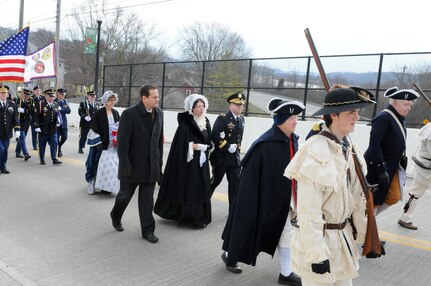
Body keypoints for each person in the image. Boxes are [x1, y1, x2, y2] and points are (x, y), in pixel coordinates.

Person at [284, 87, 380, 286]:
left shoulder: (348, 147)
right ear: (333, 115)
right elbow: (308, 210)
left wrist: (367, 236)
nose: (357, 116)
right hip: (320, 241)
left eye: (357, 111)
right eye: (351, 112)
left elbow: (354, 198)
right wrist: (317, 254)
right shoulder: (316, 151)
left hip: (342, 241)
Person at [221, 98, 304, 286]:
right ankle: (229, 255)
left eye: (296, 117)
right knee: (246, 227)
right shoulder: (264, 145)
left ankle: (286, 272)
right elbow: (249, 179)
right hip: (262, 198)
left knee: (287, 232)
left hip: (286, 198)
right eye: (291, 117)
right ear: (280, 120)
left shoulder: (293, 140)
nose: (295, 121)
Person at [110, 85, 163, 243]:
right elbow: (122, 142)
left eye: (157, 97)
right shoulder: (129, 114)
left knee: (147, 200)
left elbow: (159, 143)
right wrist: (125, 164)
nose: (157, 99)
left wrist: (159, 166)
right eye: (154, 97)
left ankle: (148, 231)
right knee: (124, 196)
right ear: (144, 98)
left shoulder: (159, 114)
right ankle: (116, 215)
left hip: (151, 167)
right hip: (132, 166)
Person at [155, 94, 212, 229]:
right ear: (191, 109)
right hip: (190, 163)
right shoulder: (186, 125)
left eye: (203, 106)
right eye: (198, 106)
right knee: (192, 187)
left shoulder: (206, 121)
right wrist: (198, 146)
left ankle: (201, 215)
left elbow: (209, 140)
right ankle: (191, 217)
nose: (201, 108)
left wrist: (208, 147)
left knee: (202, 187)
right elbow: (183, 145)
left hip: (202, 162)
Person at [364, 87, 420, 215]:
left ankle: (369, 221)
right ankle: (366, 226)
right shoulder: (383, 118)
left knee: (394, 196)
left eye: (409, 105)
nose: (409, 108)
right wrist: (381, 169)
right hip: (377, 167)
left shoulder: (398, 117)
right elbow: (374, 144)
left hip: (391, 167)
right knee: (375, 200)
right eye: (406, 104)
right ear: (395, 103)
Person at [210, 92, 245, 206]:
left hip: (234, 159)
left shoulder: (241, 119)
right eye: (237, 104)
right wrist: (227, 146)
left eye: (241, 105)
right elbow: (214, 134)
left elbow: (238, 139)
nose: (240, 107)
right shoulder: (223, 118)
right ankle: (202, 206)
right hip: (221, 158)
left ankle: (233, 211)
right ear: (230, 106)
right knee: (215, 182)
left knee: (235, 185)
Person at [85, 90, 120, 195]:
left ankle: (106, 186)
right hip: (100, 144)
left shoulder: (116, 113)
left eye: (114, 100)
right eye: (110, 100)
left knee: (111, 166)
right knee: (96, 163)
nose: (112, 102)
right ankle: (92, 183)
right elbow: (93, 129)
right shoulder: (99, 113)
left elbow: (119, 127)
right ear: (105, 101)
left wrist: (117, 139)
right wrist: (98, 143)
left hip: (112, 145)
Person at [398, 121, 431, 230]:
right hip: (426, 169)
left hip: (426, 167)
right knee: (415, 193)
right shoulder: (430, 129)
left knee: (415, 193)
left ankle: (404, 218)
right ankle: (404, 218)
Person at [34, 89, 62, 166]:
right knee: (42, 144)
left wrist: (58, 122)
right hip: (43, 129)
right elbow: (36, 116)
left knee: (54, 143)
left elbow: (57, 115)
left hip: (53, 129)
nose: (52, 98)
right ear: (46, 96)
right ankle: (42, 158)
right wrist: (36, 125)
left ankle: (54, 158)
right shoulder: (40, 104)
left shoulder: (55, 104)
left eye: (53, 96)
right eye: (50, 96)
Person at [0, 85, 21, 174]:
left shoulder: (12, 104)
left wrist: (17, 129)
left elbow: (15, 118)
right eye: (2, 93)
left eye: (5, 93)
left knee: (5, 150)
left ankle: (3, 167)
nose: (4, 95)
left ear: (8, 94)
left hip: (7, 132)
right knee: (1, 149)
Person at [14, 88, 33, 161]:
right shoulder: (17, 100)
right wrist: (17, 110)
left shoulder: (30, 100)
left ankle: (17, 152)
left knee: (23, 138)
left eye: (28, 96)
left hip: (27, 122)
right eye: (25, 95)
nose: (27, 97)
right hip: (19, 122)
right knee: (22, 138)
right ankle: (26, 153)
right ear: (22, 94)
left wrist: (24, 110)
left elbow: (32, 110)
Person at [55, 88, 71, 157]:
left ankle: (59, 146)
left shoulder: (65, 101)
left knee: (64, 137)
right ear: (58, 94)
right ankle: (58, 151)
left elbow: (68, 111)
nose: (63, 96)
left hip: (63, 123)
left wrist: (61, 109)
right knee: (57, 138)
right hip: (56, 123)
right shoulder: (54, 101)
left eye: (64, 94)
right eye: (62, 94)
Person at [31, 85, 43, 150]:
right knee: (34, 132)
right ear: (34, 91)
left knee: (40, 132)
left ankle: (39, 143)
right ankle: (34, 145)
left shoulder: (42, 98)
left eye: (39, 90)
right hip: (34, 118)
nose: (38, 91)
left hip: (41, 118)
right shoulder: (32, 98)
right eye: (36, 90)